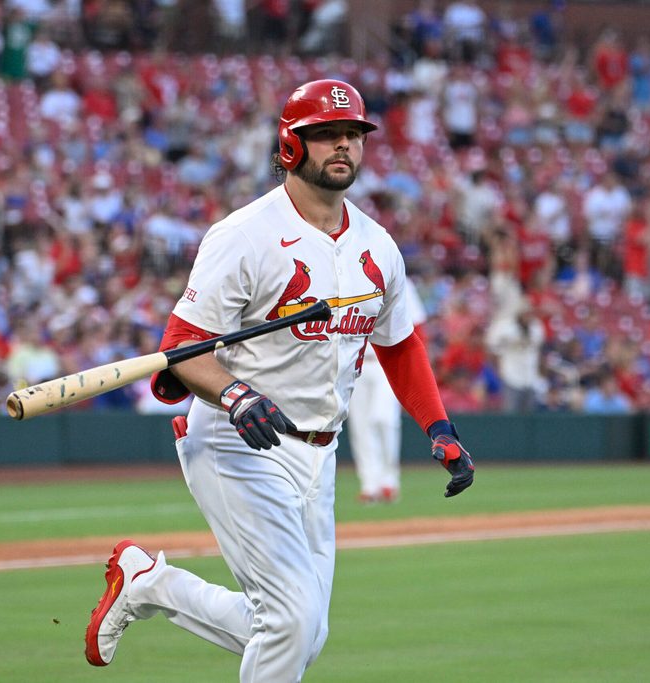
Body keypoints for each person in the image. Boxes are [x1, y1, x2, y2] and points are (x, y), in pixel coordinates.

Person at [82, 79, 474, 682]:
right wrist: (236, 393)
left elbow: (399, 344)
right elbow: (181, 349)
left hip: (320, 454)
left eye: (353, 135)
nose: (343, 146)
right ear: (291, 145)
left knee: (302, 631)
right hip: (237, 441)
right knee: (291, 622)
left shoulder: (378, 244)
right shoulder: (244, 235)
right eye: (326, 135)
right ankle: (149, 585)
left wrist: (438, 426)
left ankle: (149, 584)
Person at [347, 282, 427, 503]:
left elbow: (417, 326)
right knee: (360, 425)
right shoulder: (346, 273)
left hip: (388, 362)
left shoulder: (399, 278)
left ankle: (389, 481)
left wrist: (415, 370)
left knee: (383, 419)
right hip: (356, 362)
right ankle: (369, 484)